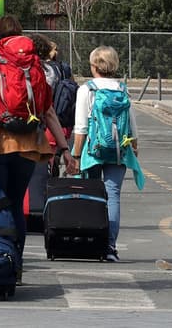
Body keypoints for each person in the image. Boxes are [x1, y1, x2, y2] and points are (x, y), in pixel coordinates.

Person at [0, 15, 77, 283]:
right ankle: (17, 266)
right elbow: (49, 112)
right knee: (14, 203)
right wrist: (65, 149)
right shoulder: (37, 66)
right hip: (29, 145)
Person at [72, 45, 144, 262]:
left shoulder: (87, 89)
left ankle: (90, 242)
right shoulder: (122, 89)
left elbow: (81, 127)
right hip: (119, 150)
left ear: (94, 66)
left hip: (93, 150)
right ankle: (110, 247)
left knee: (91, 195)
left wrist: (76, 156)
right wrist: (134, 146)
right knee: (113, 196)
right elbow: (131, 123)